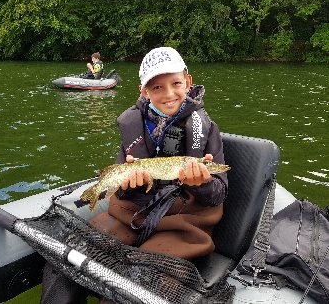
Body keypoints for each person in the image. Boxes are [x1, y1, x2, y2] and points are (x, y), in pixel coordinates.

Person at [40, 46, 228, 303]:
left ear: (188, 82)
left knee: (133, 283)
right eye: (157, 87)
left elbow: (218, 193)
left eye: (175, 83)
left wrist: (202, 183)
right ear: (144, 91)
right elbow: (122, 187)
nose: (169, 93)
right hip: (133, 214)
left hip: (181, 222)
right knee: (70, 258)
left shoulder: (206, 131)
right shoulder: (134, 125)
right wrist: (129, 186)